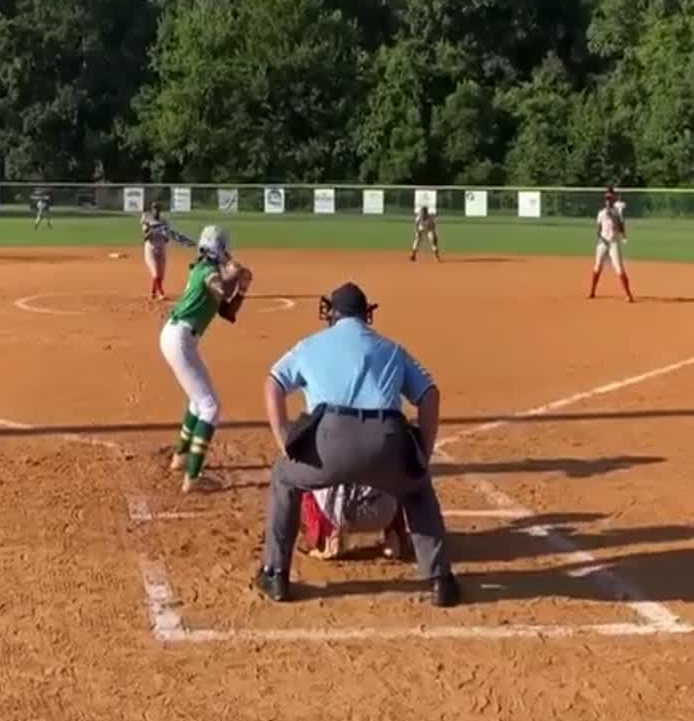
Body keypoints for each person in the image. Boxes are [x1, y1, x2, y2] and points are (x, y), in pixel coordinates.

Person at [254, 282, 461, 607]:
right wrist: (424, 450)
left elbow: (273, 383)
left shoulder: (309, 345)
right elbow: (429, 393)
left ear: (331, 314)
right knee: (418, 488)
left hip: (328, 442)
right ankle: (441, 580)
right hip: (386, 440)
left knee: (284, 476)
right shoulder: (391, 348)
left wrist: (284, 440)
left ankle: (275, 573)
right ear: (367, 315)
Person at [160, 225, 252, 493]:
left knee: (198, 402)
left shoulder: (205, 269)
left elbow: (228, 311)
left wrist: (242, 287)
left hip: (178, 337)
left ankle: (180, 458)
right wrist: (233, 274)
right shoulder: (208, 272)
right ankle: (193, 476)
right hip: (179, 338)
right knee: (210, 407)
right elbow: (220, 288)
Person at [139, 201, 194, 302]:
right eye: (154, 209)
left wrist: (164, 233)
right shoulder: (147, 220)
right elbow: (145, 237)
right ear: (151, 210)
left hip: (161, 249)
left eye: (158, 209)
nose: (156, 211)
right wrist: (151, 230)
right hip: (150, 249)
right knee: (155, 273)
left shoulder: (164, 221)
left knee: (161, 275)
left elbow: (167, 239)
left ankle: (153, 293)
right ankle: (161, 293)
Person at [588, 187, 633, 302]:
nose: (608, 200)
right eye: (606, 198)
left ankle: (628, 294)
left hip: (613, 243)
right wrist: (600, 239)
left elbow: (621, 226)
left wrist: (623, 236)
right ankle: (592, 291)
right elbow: (599, 229)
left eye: (610, 198)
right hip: (603, 242)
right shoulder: (601, 213)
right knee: (597, 267)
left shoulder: (616, 213)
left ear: (613, 199)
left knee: (619, 268)